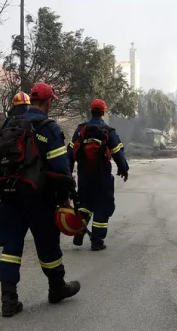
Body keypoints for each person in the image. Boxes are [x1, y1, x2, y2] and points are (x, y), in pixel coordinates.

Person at [0, 82, 80, 318]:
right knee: (48, 245)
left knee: (11, 248)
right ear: (48, 101)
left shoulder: (11, 124)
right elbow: (61, 167)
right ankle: (56, 288)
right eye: (52, 100)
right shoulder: (48, 127)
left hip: (10, 196)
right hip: (39, 198)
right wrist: (65, 197)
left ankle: (8, 299)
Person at [68, 99, 129, 251]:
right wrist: (124, 169)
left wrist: (68, 173)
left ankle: (81, 229)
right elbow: (118, 153)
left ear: (91, 111)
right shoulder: (109, 130)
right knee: (103, 206)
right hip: (102, 176)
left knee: (85, 204)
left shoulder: (81, 129)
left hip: (84, 175)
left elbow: (70, 153)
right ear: (103, 112)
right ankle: (97, 241)